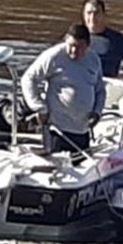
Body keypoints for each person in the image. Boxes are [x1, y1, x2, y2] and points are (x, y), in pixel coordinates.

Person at [21, 23, 106, 155]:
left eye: (79, 47)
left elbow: (100, 90)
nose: (73, 51)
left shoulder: (93, 59)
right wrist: (39, 107)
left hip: (82, 129)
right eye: (71, 45)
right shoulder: (53, 56)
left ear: (88, 45)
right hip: (58, 128)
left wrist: (97, 112)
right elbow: (28, 79)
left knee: (80, 166)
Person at [81, 0, 123, 84]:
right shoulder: (75, 37)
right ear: (83, 15)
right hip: (81, 86)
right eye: (89, 13)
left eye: (96, 13)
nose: (92, 17)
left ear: (104, 15)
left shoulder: (117, 40)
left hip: (108, 87)